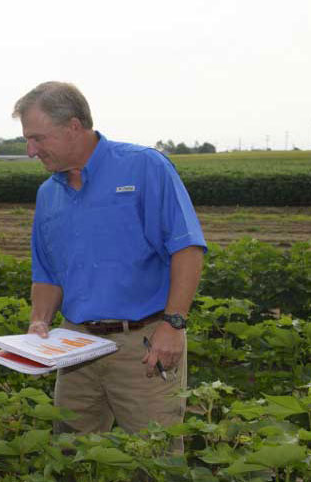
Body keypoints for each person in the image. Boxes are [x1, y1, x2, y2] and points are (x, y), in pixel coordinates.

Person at [12, 82, 206, 450]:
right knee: (71, 454)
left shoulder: (144, 167)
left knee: (156, 460)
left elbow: (187, 248)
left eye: (38, 138)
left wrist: (174, 324)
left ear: (73, 126)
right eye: (27, 139)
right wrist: (40, 320)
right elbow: (48, 273)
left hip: (143, 344)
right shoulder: (48, 193)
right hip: (74, 347)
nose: (30, 150)